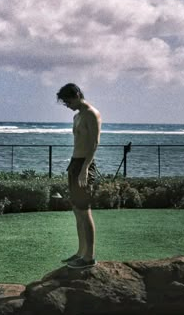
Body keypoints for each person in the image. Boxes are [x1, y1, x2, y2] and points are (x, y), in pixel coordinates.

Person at [56, 83, 101, 269]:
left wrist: (85, 168)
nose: (67, 105)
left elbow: (94, 142)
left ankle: (89, 257)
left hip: (84, 165)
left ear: (76, 95)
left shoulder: (91, 113)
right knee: (76, 210)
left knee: (84, 211)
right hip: (74, 163)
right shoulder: (77, 116)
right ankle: (80, 252)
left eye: (68, 101)